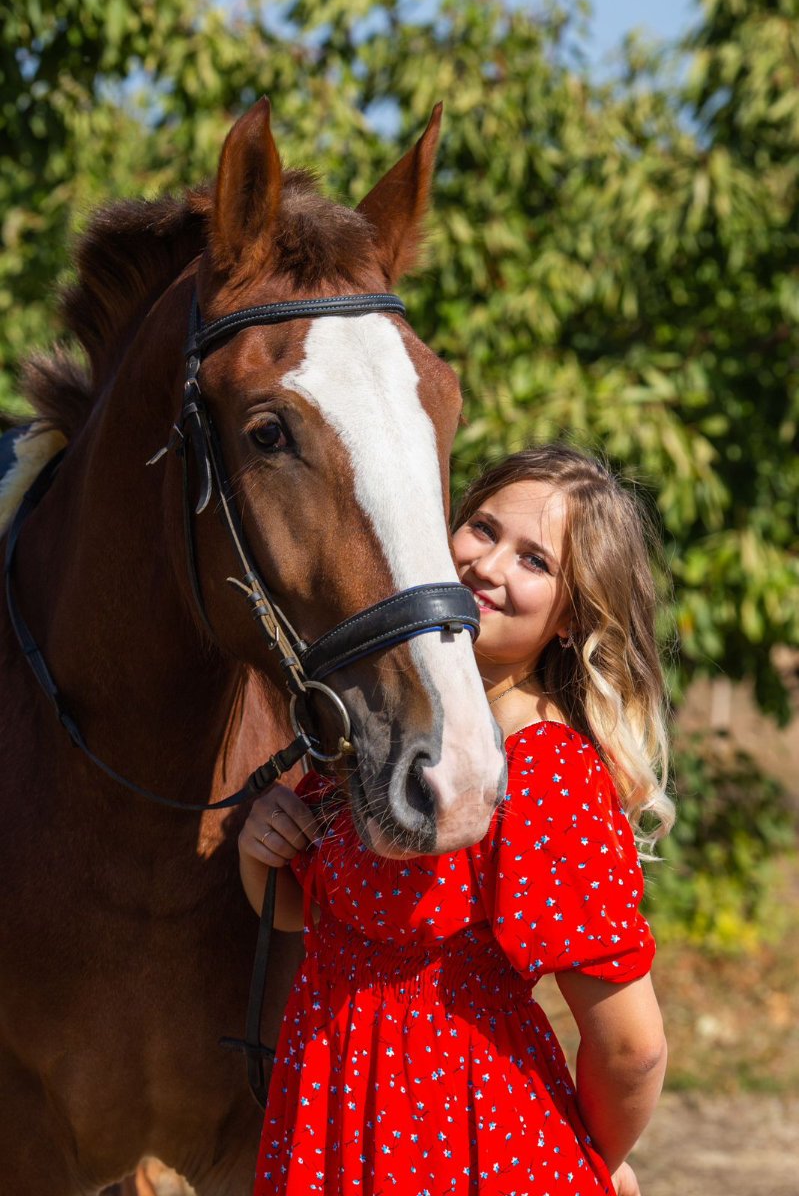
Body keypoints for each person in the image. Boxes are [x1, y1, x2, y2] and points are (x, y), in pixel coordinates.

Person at [239, 444, 674, 1196]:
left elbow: (632, 1047)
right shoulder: (385, 720)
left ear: (571, 618)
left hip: (459, 1143)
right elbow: (307, 918)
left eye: (534, 561)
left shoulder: (544, 772)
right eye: (482, 528)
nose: (488, 566)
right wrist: (261, 847)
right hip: (332, 1120)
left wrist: (593, 1162)